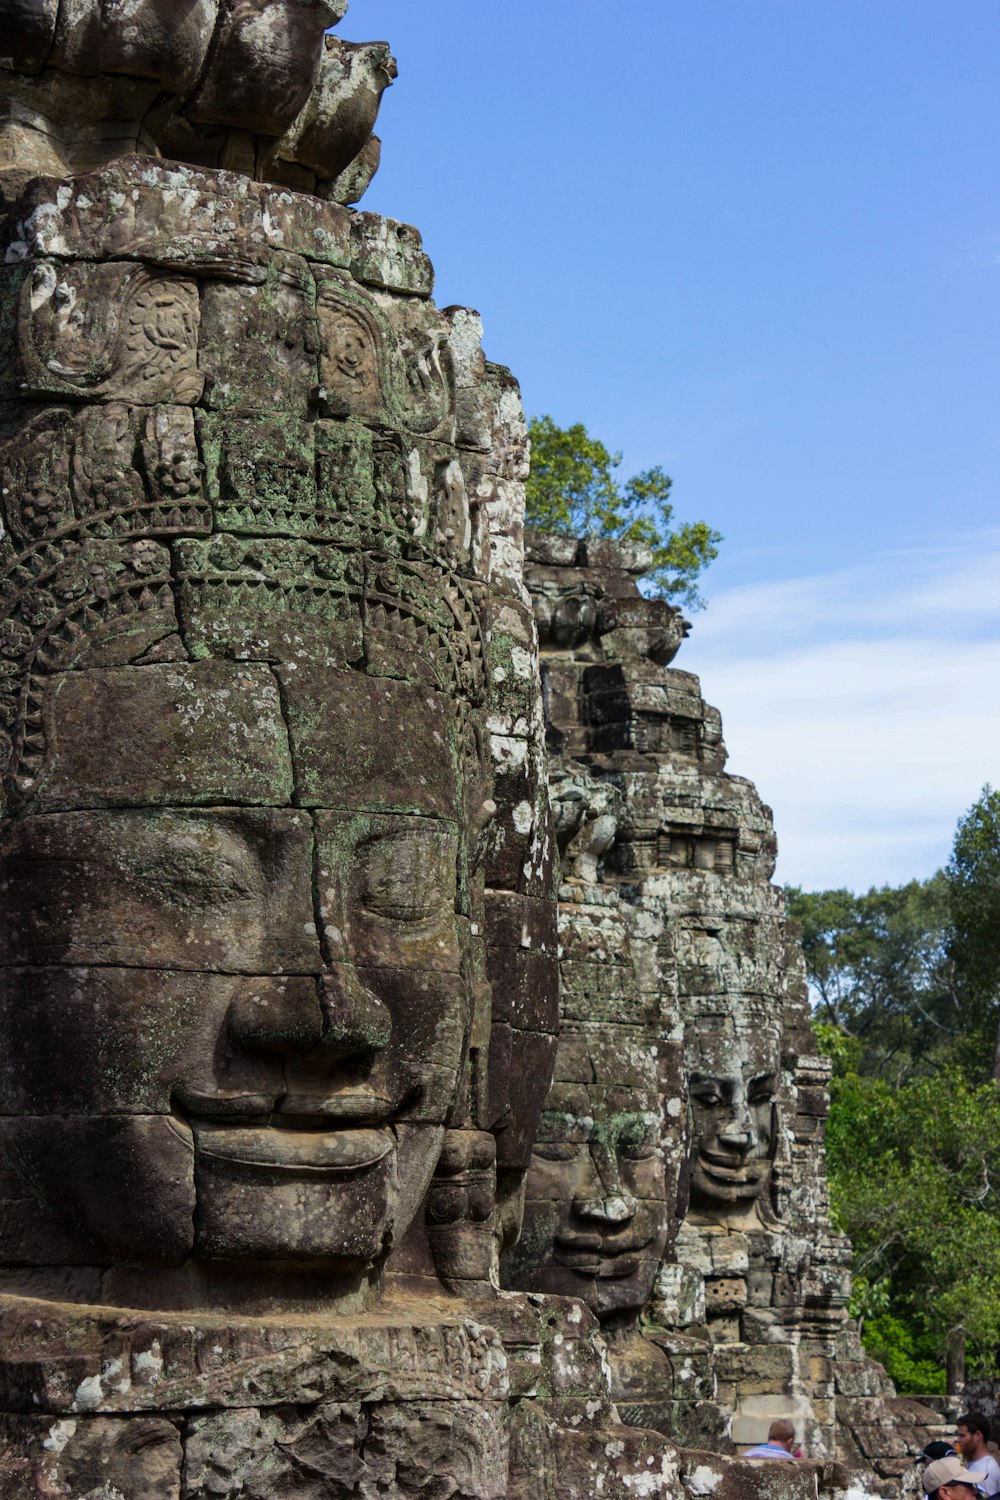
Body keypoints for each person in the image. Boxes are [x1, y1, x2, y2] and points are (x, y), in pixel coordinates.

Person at [956, 1413, 1000, 1496]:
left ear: (977, 1435)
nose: (958, 1440)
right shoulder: (977, 1463)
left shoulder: (985, 1471)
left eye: (962, 1436)